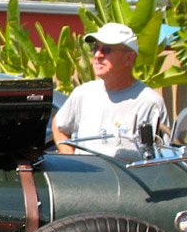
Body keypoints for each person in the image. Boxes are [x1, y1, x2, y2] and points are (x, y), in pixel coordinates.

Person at [52, 22, 168, 157]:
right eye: (95, 48)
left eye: (107, 50)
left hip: (124, 171)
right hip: (85, 171)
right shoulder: (84, 93)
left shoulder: (149, 103)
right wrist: (71, 158)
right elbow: (59, 126)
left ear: (129, 58)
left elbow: (162, 157)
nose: (98, 55)